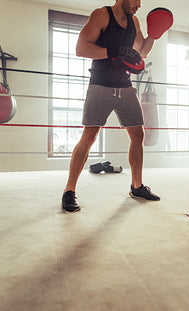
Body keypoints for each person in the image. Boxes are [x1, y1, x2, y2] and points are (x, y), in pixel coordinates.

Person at [61, 1, 172, 212]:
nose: (139, 5)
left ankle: (137, 186)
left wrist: (153, 36)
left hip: (125, 85)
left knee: (138, 135)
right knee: (89, 136)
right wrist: (113, 51)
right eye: (136, 0)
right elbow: (81, 48)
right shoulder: (102, 16)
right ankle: (69, 191)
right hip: (100, 84)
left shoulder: (134, 21)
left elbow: (143, 51)